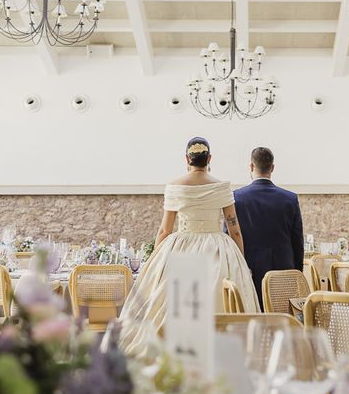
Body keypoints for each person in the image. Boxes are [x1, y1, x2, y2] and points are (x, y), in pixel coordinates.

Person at [119, 137, 259, 355]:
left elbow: (165, 230)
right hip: (217, 249)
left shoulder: (175, 187)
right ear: (209, 159)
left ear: (187, 159)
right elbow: (235, 229)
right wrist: (240, 260)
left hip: (181, 245)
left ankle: (177, 352)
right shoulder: (221, 187)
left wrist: (156, 263)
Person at [230, 147, 304, 309]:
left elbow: (229, 237)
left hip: (249, 271)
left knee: (253, 317)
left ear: (251, 167)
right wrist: (297, 272)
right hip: (283, 271)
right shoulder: (290, 199)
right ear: (272, 168)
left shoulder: (236, 197)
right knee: (282, 319)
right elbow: (297, 241)